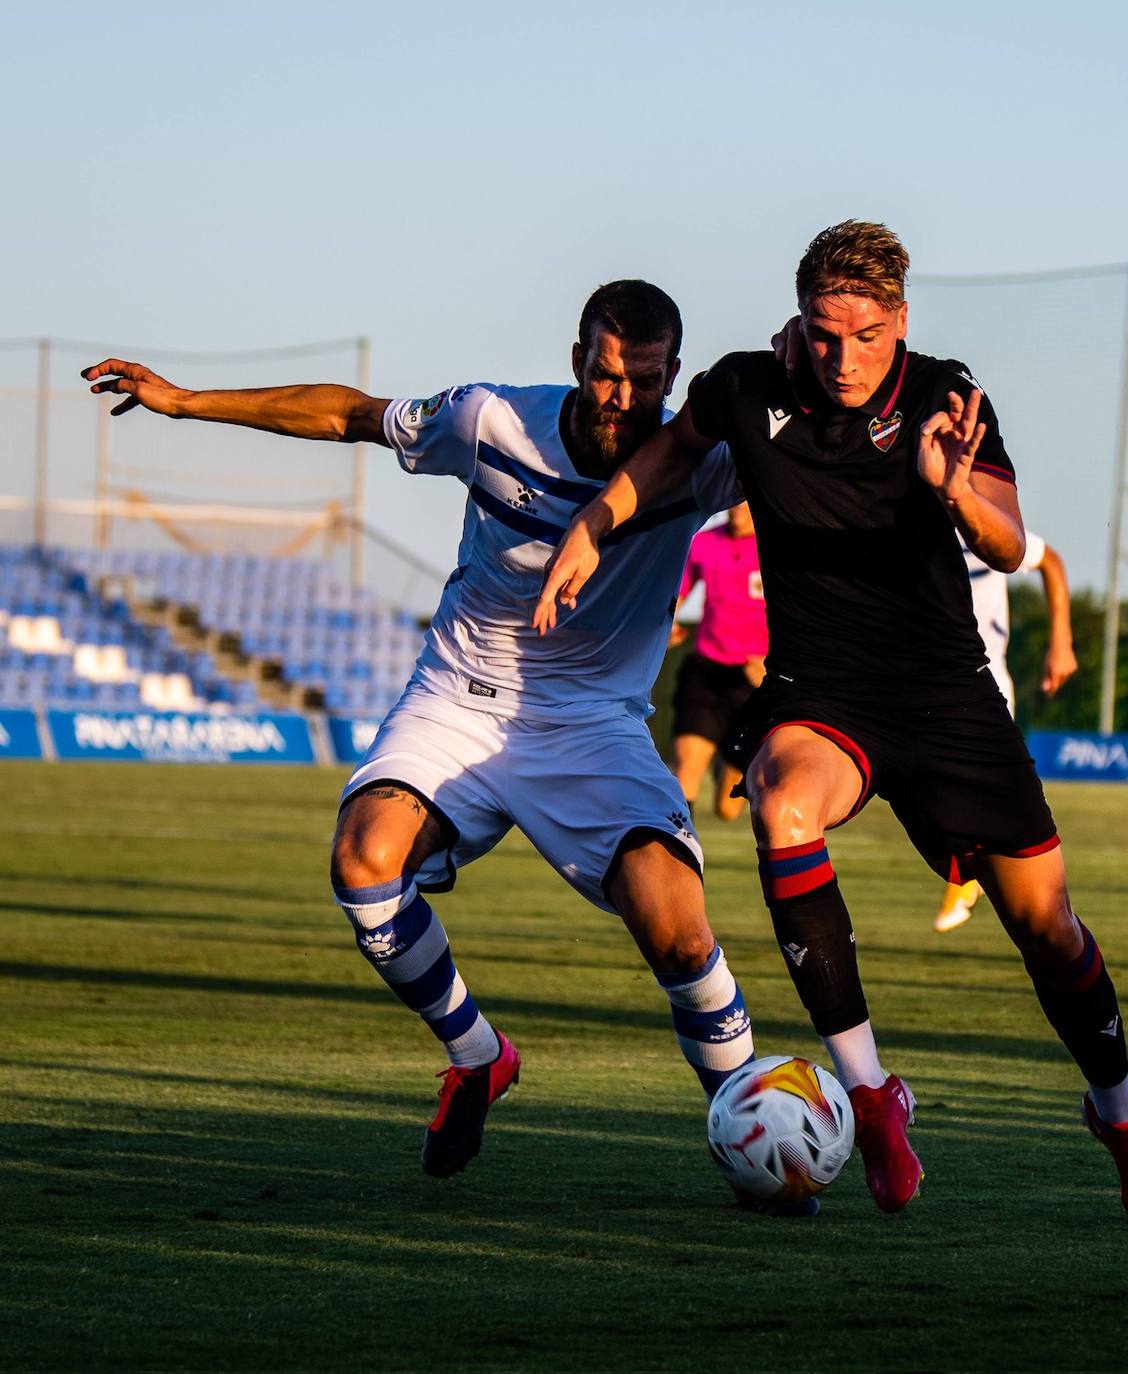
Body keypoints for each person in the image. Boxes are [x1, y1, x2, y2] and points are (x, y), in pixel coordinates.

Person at [535, 222, 1128, 1228]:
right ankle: (871, 1096)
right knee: (780, 808)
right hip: (818, 689)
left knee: (1046, 930)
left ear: (900, 323)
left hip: (945, 693)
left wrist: (956, 491)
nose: (844, 357)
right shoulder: (747, 386)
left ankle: (1121, 1119)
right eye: (825, 333)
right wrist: (592, 523)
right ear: (799, 321)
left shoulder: (943, 396)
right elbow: (666, 457)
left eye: (867, 335)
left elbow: (1009, 545)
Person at [81, 281, 765, 1200]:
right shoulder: (488, 422)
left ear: (671, 375)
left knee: (679, 933)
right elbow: (350, 416)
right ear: (576, 361)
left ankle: (752, 1124)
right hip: (459, 699)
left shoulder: (700, 459)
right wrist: (188, 401)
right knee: (364, 861)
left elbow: (821, 481)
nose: (621, 399)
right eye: (606, 376)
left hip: (594, 725)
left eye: (643, 382)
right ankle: (478, 1057)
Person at [933, 531, 1078, 931]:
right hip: (924, 686)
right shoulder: (899, 521)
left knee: (994, 808)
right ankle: (973, 875)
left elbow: (1051, 561)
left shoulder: (981, 523)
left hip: (985, 687)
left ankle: (976, 882)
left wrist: (1061, 641)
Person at [668, 501, 767, 821]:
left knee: (727, 808)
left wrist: (772, 659)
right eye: (735, 503)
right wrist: (666, 622)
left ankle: (729, 759)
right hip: (707, 671)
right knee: (686, 773)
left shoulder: (777, 547)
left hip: (755, 682)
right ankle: (678, 857)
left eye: (746, 505)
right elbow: (676, 592)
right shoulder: (705, 541)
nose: (737, 509)